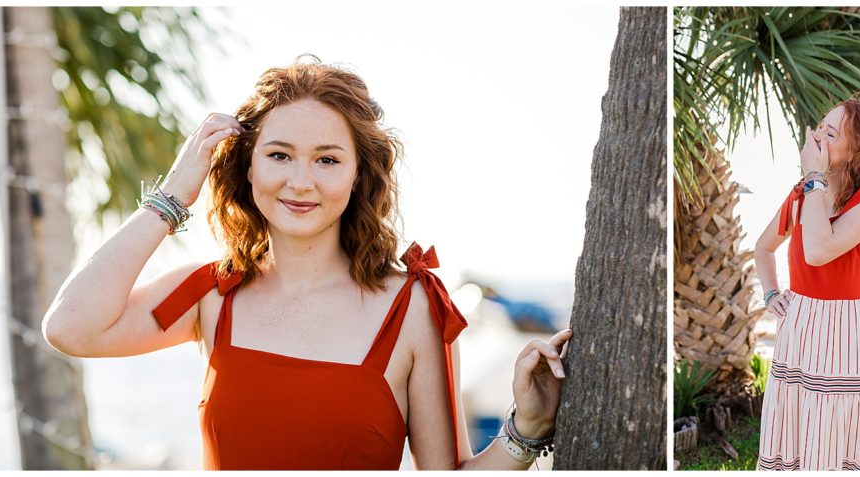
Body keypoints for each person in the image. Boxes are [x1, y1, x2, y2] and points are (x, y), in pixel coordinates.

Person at [42, 59, 573, 470]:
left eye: (327, 159)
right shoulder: (210, 293)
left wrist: (527, 424)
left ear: (358, 176)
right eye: (279, 155)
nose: (300, 181)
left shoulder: (412, 307)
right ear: (247, 167)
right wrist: (176, 193)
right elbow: (72, 328)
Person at [753, 98, 860, 471]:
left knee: (835, 438)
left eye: (831, 133)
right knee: (796, 432)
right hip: (799, 329)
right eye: (820, 126)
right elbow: (764, 247)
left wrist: (813, 177)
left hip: (844, 333)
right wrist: (771, 294)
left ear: (859, 150)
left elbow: (819, 250)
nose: (817, 136)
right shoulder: (802, 195)